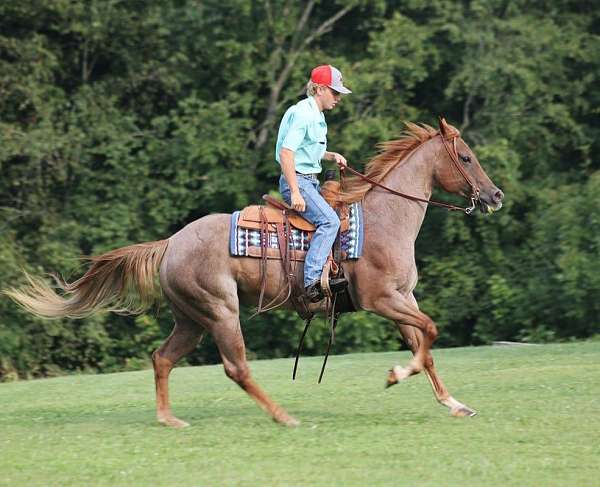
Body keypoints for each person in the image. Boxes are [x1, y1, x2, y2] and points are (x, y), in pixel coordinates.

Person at [275, 64, 352, 302]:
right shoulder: (304, 115)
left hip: (309, 180)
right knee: (329, 221)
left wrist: (330, 155)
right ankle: (311, 283)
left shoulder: (316, 115)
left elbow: (307, 149)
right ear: (319, 89)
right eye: (334, 91)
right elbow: (287, 153)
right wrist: (296, 192)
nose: (338, 98)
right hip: (298, 182)